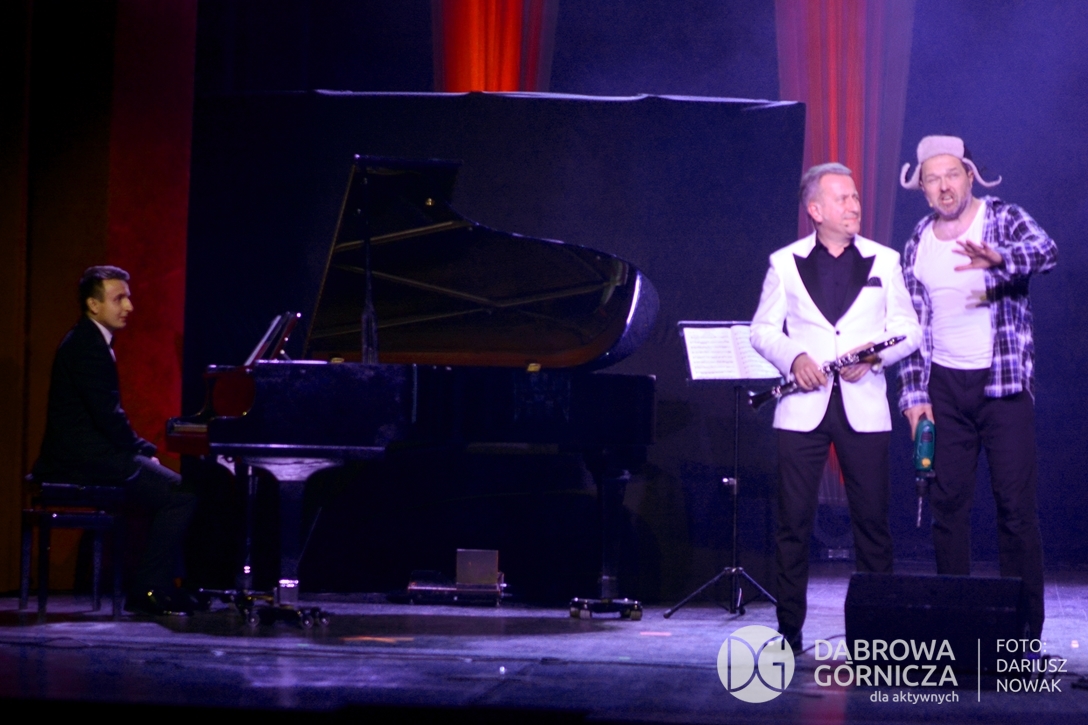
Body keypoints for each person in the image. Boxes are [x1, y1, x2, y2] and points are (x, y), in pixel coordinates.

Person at [751, 163, 922, 651]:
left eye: (855, 197)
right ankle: (788, 630)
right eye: (842, 198)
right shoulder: (784, 263)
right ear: (815, 209)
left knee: (872, 524)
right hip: (802, 407)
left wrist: (874, 356)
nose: (854, 206)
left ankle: (877, 635)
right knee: (793, 523)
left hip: (863, 406)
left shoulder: (885, 261)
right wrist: (794, 357)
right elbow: (762, 330)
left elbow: (909, 330)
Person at [897, 136, 1056, 640]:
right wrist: (915, 396)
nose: (944, 186)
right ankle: (956, 626)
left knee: (1015, 510)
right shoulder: (917, 241)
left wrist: (1000, 258)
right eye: (932, 179)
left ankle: (1022, 632)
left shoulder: (1001, 217)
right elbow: (909, 329)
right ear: (923, 189)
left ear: (969, 176)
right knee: (947, 509)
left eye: (952, 175)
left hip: (1003, 385)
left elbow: (1046, 251)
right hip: (944, 387)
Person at [33, 265, 197, 615]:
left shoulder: (91, 340)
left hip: (92, 452)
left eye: (128, 297)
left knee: (174, 491)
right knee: (180, 495)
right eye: (119, 298)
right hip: (81, 458)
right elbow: (108, 416)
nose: (129, 306)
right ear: (93, 305)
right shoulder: (86, 346)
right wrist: (143, 449)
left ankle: (164, 586)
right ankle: (148, 589)